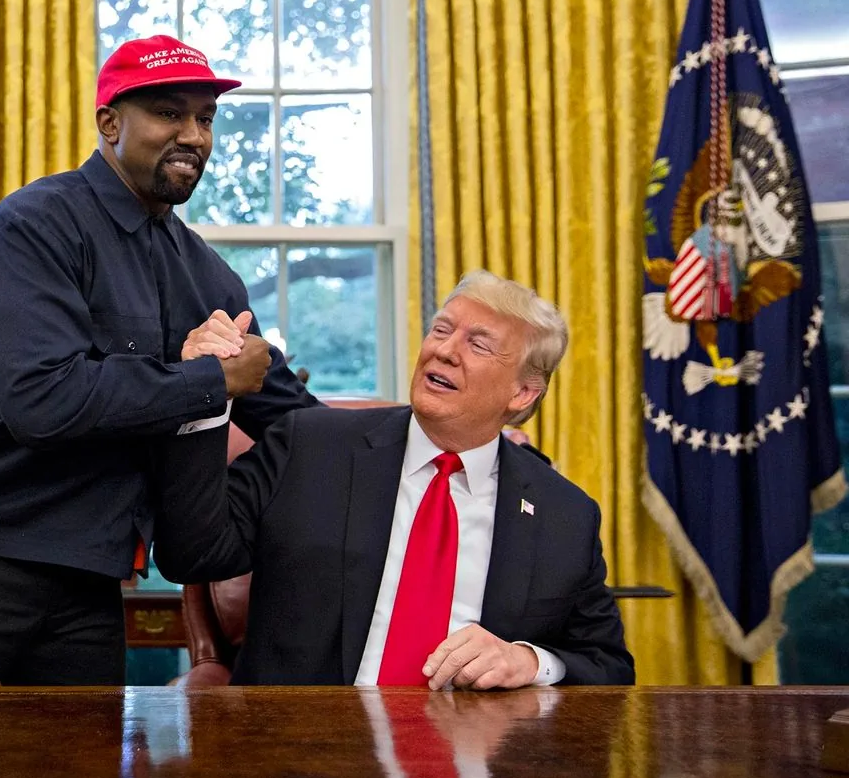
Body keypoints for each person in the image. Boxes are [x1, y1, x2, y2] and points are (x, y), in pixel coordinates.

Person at [0, 35, 318, 688]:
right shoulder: (38, 224)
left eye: (205, 118)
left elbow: (290, 415)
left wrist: (401, 443)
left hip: (89, 574)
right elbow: (43, 401)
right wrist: (211, 379)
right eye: (169, 113)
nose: (193, 134)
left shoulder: (207, 276)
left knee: (78, 765)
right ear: (110, 123)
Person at [154, 270, 635, 687]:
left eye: (478, 345)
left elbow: (607, 664)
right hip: (307, 753)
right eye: (441, 330)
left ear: (523, 392)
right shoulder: (309, 446)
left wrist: (529, 661)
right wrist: (203, 395)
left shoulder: (564, 515)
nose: (444, 351)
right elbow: (190, 554)